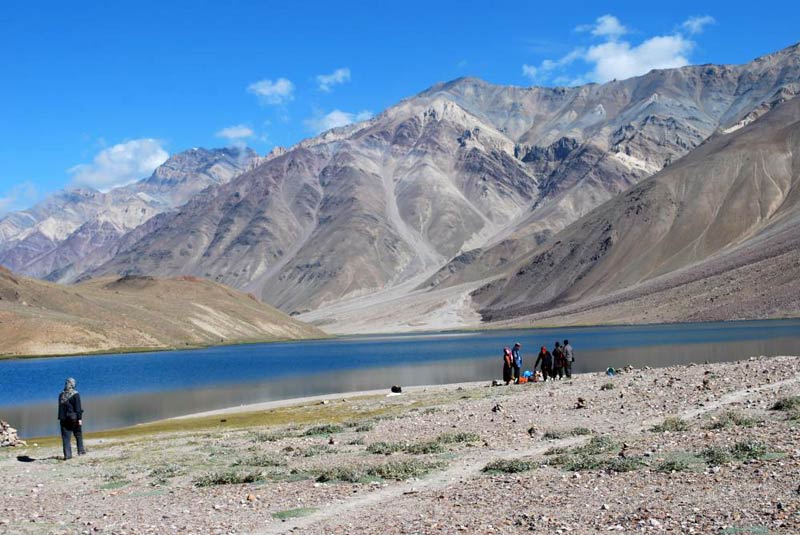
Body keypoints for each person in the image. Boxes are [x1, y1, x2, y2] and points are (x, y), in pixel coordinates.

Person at [57, 377, 85, 460]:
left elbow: (61, 408)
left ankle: (68, 455)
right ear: (73, 384)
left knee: (66, 437)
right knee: (78, 434)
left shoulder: (61, 394)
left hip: (63, 419)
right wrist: (80, 419)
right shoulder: (75, 394)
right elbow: (78, 408)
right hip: (74, 418)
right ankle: (81, 451)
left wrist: (61, 418)